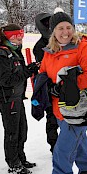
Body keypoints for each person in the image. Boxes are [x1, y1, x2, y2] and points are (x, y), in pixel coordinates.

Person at [39, 9, 87, 174]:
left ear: (73, 28)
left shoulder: (82, 47)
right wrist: (46, 86)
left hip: (77, 110)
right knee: (79, 143)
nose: (65, 32)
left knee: (63, 149)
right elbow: (43, 73)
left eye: (68, 27)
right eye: (60, 28)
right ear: (53, 32)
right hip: (59, 110)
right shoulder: (50, 52)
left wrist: (64, 87)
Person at [0, 24, 39, 174]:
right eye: (18, 36)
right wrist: (28, 71)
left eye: (22, 36)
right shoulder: (0, 54)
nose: (21, 39)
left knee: (22, 130)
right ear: (9, 36)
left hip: (17, 96)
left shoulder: (14, 51)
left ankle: (21, 158)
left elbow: (18, 72)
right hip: (7, 98)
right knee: (12, 132)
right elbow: (6, 80)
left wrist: (30, 68)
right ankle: (13, 164)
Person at [33, 12, 58, 153]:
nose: (49, 26)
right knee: (52, 118)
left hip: (63, 85)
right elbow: (44, 68)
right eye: (46, 24)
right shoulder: (40, 46)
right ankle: (54, 145)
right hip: (48, 86)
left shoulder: (60, 40)